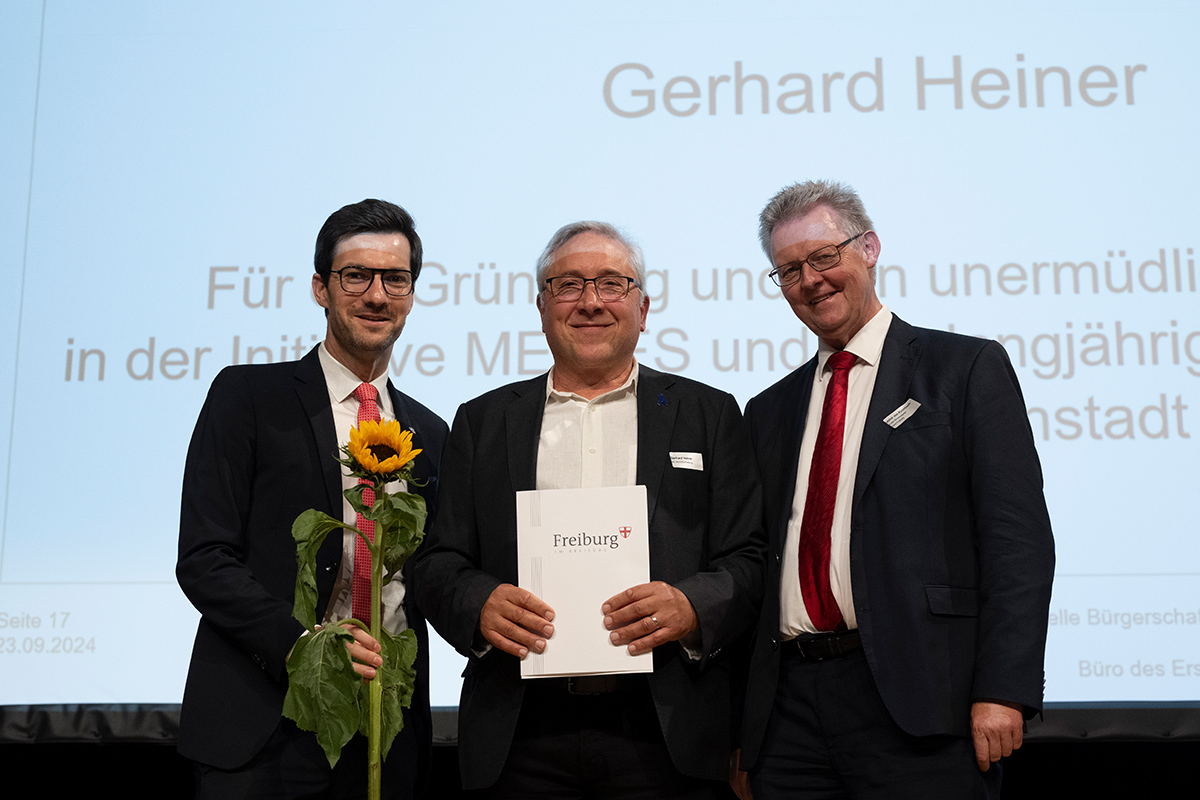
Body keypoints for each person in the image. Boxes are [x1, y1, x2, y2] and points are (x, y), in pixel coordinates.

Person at [413, 221, 766, 798]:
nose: (591, 302)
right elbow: (438, 560)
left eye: (612, 284)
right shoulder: (483, 420)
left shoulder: (709, 413)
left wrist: (690, 605)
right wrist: (479, 605)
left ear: (644, 308)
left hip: (664, 727)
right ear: (542, 306)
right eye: (568, 285)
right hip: (521, 729)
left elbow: (749, 557)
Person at [738, 181, 1055, 799]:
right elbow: (754, 566)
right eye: (789, 270)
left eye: (825, 256)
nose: (811, 279)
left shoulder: (964, 369)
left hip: (922, 700)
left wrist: (1003, 688)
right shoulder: (768, 410)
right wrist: (742, 730)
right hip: (789, 717)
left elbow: (1016, 541)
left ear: (870, 248)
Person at [176, 199, 448, 798]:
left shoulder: (430, 433)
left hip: (387, 733)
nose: (377, 295)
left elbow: (433, 574)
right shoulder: (247, 397)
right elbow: (204, 557)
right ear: (321, 288)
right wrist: (307, 652)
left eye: (395, 279)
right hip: (266, 726)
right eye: (357, 276)